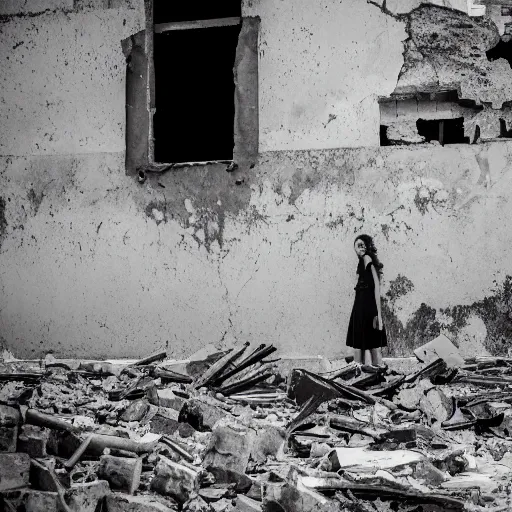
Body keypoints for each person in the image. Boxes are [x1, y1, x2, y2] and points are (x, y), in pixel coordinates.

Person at [346, 234, 387, 371]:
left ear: (368, 246)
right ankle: (370, 369)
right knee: (366, 340)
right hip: (362, 306)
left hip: (366, 307)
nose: (361, 248)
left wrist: (379, 315)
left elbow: (376, 287)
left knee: (362, 340)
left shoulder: (366, 258)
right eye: (358, 245)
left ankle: (361, 369)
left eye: (363, 244)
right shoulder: (363, 261)